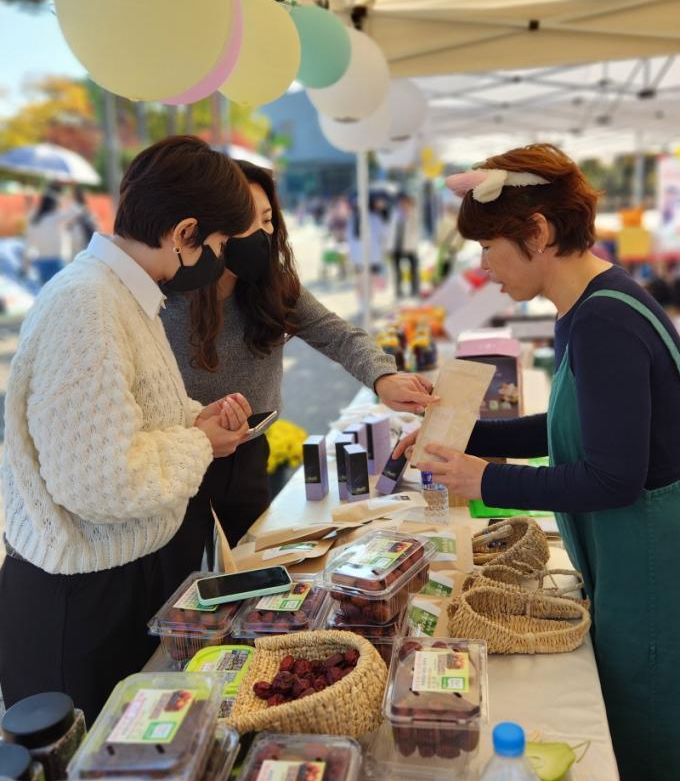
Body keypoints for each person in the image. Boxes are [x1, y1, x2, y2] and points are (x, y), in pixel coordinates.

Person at [395, 143, 680, 781]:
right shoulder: (589, 305)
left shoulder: (605, 321)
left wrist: (483, 477)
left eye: (489, 248)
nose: (484, 268)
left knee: (648, 708)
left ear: (539, 233)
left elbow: (612, 477)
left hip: (650, 558)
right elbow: (564, 426)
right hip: (630, 547)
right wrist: (458, 435)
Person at [0, 136, 255, 724]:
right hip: (80, 601)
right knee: (89, 764)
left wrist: (194, 417)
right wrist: (200, 443)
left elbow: (127, 414)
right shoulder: (87, 304)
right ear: (185, 232)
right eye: (217, 244)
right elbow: (101, 478)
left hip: (120, 576)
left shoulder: (121, 294)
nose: (218, 259)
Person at [162, 160, 437, 549]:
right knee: (180, 571)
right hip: (180, 455)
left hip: (249, 450)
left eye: (267, 220)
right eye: (245, 221)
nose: (262, 233)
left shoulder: (273, 285)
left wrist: (382, 376)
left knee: (249, 559)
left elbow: (336, 333)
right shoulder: (167, 294)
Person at [23, 187, 78, 285]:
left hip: (41, 262)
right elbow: (75, 212)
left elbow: (29, 244)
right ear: (55, 205)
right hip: (57, 261)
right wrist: (66, 200)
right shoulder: (56, 217)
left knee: (46, 291)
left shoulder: (36, 220)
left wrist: (25, 267)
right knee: (60, 290)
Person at [387, 192, 420, 298]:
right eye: (401, 202)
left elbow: (415, 231)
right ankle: (399, 291)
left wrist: (412, 246)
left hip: (410, 246)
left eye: (405, 202)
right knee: (397, 270)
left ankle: (414, 291)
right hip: (396, 246)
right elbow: (391, 231)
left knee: (413, 269)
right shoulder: (395, 213)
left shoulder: (413, 213)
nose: (403, 204)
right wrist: (389, 246)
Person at [67, 184, 98, 257]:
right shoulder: (86, 208)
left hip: (78, 233)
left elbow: (69, 221)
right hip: (86, 236)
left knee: (77, 254)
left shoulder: (73, 206)